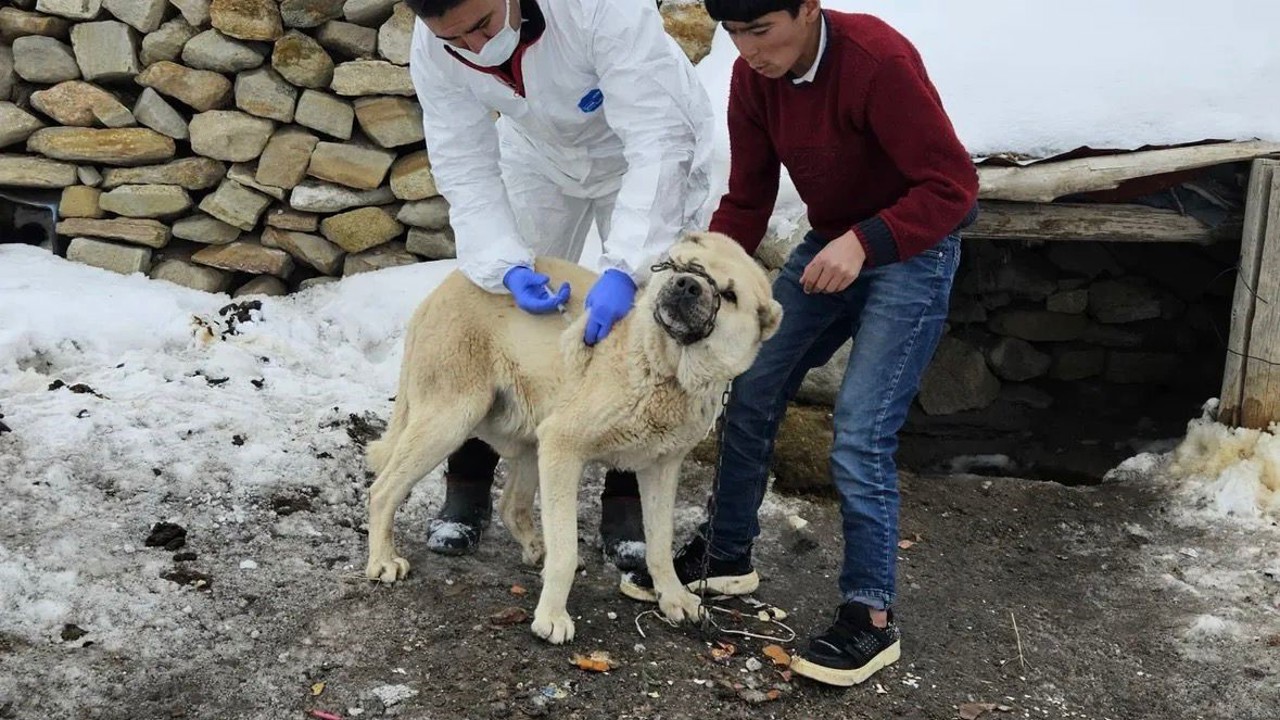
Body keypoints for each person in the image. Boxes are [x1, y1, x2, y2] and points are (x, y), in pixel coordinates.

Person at [619, 0, 979, 687]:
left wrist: (867, 241)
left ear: (808, 9)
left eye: (761, 29)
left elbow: (954, 188)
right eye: (732, 32)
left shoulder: (878, 60)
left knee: (860, 431)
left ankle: (869, 617)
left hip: (913, 248)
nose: (747, 49)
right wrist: (705, 267)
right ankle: (727, 556)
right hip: (832, 242)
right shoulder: (753, 78)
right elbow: (749, 201)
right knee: (751, 383)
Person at [404, 0, 715, 576]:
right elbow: (462, 160)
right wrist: (505, 264)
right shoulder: (434, 46)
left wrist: (625, 268)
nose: (473, 47)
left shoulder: (600, 9)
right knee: (494, 309)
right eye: (455, 38)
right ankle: (466, 483)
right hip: (542, 156)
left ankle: (623, 502)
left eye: (480, 26)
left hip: (646, 158)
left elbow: (656, 140)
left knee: (647, 327)